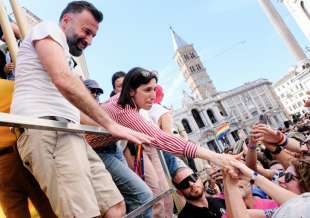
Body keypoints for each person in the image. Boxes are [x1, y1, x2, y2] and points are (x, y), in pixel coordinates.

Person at [11, 2, 152, 217]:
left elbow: (76, 109)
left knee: (114, 207)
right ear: (66, 20)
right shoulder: (48, 29)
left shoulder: (63, 59)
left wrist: (120, 127)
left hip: (70, 131)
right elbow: (64, 79)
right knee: (83, 214)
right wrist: (110, 124)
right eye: (86, 31)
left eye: (93, 36)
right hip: (47, 131)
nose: (89, 40)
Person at [86, 67, 236, 173]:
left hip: (107, 144)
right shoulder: (126, 112)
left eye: (154, 89)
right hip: (91, 147)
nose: (153, 95)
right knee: (142, 195)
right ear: (131, 91)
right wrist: (217, 157)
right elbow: (163, 139)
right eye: (147, 90)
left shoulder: (125, 100)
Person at [83, 79, 153, 218]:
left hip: (114, 148)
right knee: (142, 195)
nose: (94, 94)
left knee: (130, 198)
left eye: (97, 92)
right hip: (97, 151)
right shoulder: (80, 109)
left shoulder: (108, 106)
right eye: (91, 90)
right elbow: (103, 124)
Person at [0, 79, 56, 218]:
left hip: (7, 162)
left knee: (14, 212)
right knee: (47, 205)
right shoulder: (12, 86)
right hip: (25, 150)